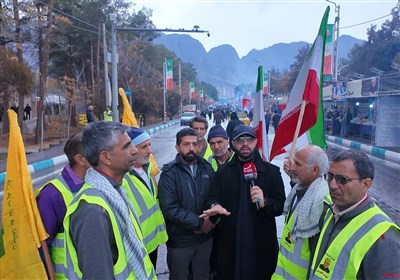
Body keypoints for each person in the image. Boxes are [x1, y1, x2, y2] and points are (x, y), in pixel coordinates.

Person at [63, 121, 155, 279]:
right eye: (126, 147)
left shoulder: (115, 190)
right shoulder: (93, 210)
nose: (134, 151)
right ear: (105, 157)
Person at [204, 124, 286, 279]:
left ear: (256, 142)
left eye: (249, 139)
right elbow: (212, 197)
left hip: (260, 242)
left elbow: (281, 205)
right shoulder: (223, 172)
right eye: (240, 140)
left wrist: (265, 202)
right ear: (233, 144)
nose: (245, 143)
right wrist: (215, 206)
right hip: (231, 241)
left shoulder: (271, 172)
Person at [309, 150, 400, 279]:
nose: (332, 185)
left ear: (366, 184)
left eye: (342, 179)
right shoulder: (331, 212)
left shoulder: (383, 235)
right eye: (330, 177)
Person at [158, 128, 215, 280]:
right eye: (186, 144)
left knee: (202, 276)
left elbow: (213, 197)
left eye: (194, 144)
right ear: (177, 147)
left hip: (205, 239)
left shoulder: (207, 168)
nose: (191, 148)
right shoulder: (169, 173)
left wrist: (211, 220)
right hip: (180, 241)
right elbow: (170, 209)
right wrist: (198, 223)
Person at [36, 133, 91, 278]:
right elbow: (41, 250)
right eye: (97, 151)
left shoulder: (100, 184)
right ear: (81, 159)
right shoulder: (52, 195)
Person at [272, 145, 330, 279]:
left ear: (315, 170)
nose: (292, 168)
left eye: (298, 164)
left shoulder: (321, 204)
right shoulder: (298, 192)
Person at [122, 127, 168, 268]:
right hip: (137, 246)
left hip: (152, 241)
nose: (149, 151)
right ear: (132, 149)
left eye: (149, 145)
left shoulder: (147, 169)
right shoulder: (123, 178)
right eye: (144, 147)